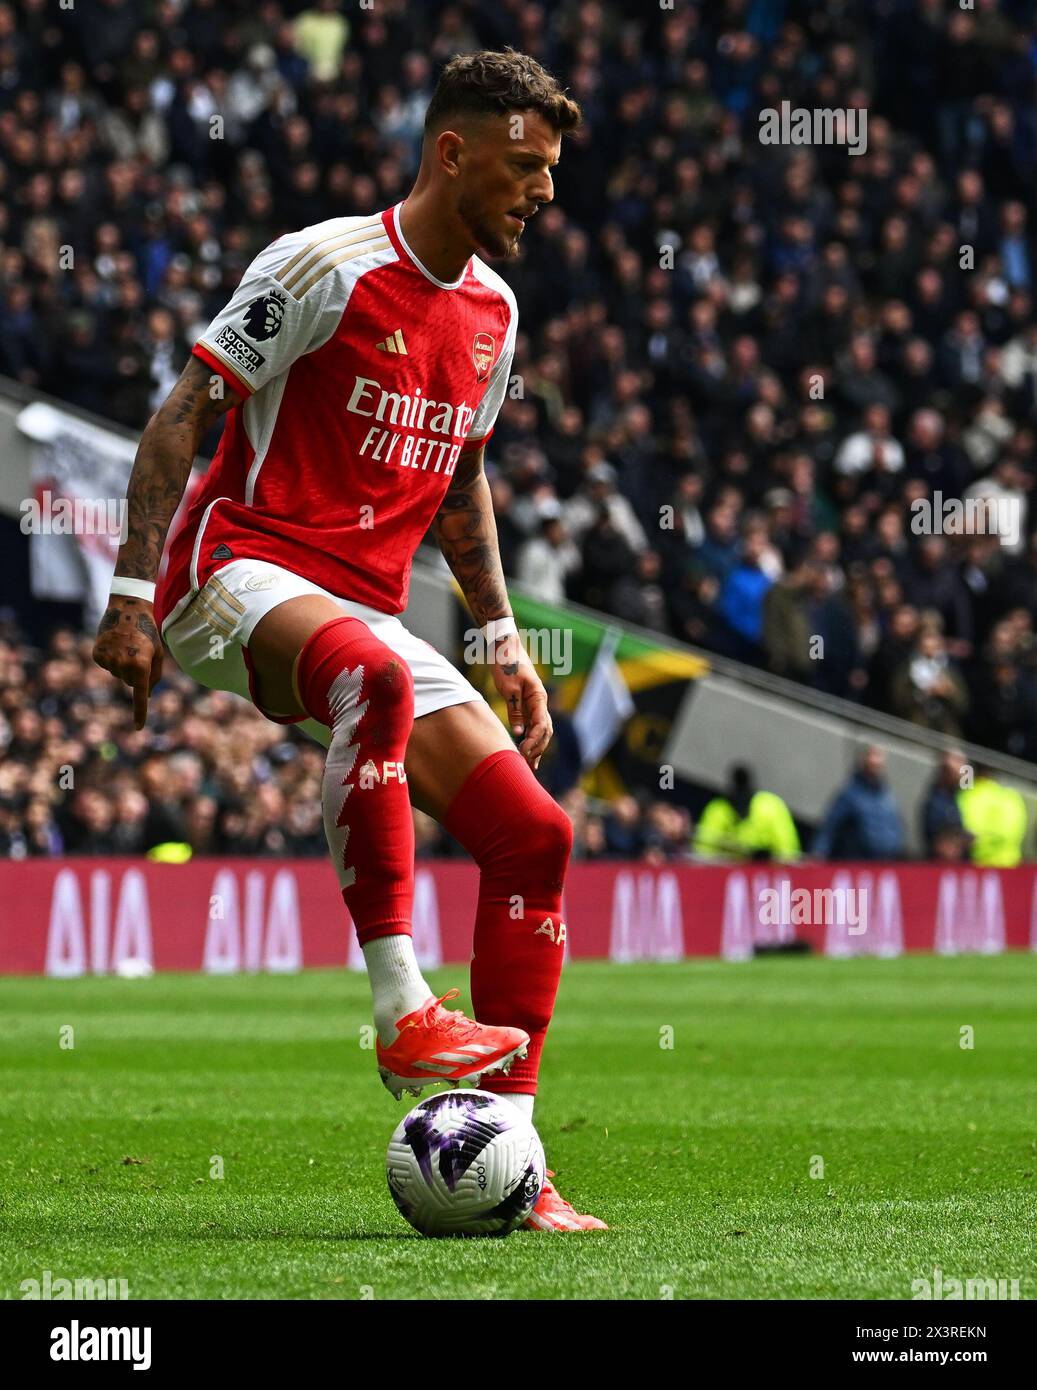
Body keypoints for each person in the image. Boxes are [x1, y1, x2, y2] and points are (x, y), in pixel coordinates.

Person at [92, 50, 603, 1232]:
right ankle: (399, 1007)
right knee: (368, 672)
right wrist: (127, 592)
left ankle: (513, 1161)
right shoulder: (321, 266)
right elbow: (188, 411)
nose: (543, 191)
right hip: (234, 572)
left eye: (552, 171)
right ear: (451, 153)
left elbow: (463, 476)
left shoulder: (495, 310)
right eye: (525, 166)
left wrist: (501, 639)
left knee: (535, 832)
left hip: (364, 607)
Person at [812, 745, 905, 861]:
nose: (875, 761)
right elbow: (831, 826)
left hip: (886, 865)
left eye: (879, 756)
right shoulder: (850, 794)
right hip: (857, 865)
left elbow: (896, 827)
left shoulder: (887, 795)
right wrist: (819, 853)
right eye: (872, 755)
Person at [693, 764, 800, 861]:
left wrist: (769, 862)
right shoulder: (718, 810)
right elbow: (701, 856)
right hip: (726, 877)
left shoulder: (771, 807)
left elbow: (789, 858)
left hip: (768, 876)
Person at [957, 766, 1028, 867]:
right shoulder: (1012, 797)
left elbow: (968, 831)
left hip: (978, 866)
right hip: (1010, 865)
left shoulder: (968, 795)